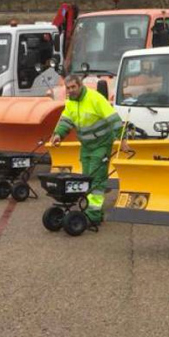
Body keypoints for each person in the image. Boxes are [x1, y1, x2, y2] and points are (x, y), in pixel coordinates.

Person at [51, 75, 124, 226]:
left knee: (97, 178)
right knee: (86, 177)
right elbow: (66, 120)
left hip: (102, 144)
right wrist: (58, 134)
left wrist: (122, 139)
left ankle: (94, 214)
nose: (71, 90)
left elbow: (113, 118)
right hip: (86, 145)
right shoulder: (71, 102)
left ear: (80, 86)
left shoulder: (95, 98)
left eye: (73, 87)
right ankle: (92, 209)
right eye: (68, 88)